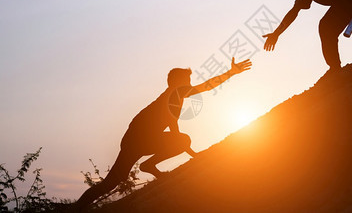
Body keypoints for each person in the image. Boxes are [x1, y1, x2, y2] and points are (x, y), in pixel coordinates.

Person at [75, 57, 252, 209]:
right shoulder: (175, 92)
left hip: (134, 139)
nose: (190, 84)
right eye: (187, 80)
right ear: (177, 82)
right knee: (114, 180)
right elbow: (205, 87)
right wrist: (231, 73)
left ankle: (77, 207)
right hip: (137, 139)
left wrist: (189, 150)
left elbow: (172, 124)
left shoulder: (172, 97)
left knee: (112, 182)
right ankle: (148, 166)